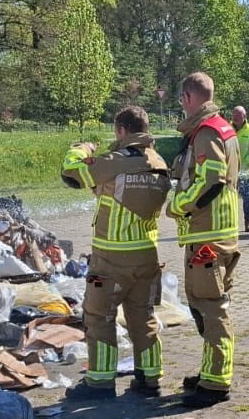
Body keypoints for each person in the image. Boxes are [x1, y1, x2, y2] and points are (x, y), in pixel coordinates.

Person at [60, 106, 171, 398]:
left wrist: (79, 149)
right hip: (147, 254)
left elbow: (72, 174)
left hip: (112, 255)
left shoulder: (118, 161)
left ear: (121, 130)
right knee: (142, 317)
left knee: (99, 317)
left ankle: (100, 381)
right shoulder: (159, 161)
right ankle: (150, 379)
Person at [167, 73, 241, 407]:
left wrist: (179, 205)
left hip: (209, 233)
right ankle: (211, 372)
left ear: (187, 97)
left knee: (211, 308)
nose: (181, 105)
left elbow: (212, 181)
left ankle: (215, 383)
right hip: (211, 232)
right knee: (202, 304)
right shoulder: (220, 128)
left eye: (181, 99)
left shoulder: (207, 131)